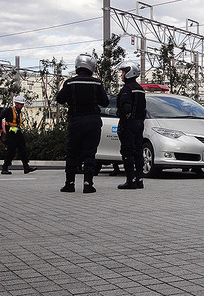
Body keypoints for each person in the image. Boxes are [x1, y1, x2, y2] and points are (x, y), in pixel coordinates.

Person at [56, 54, 109, 193]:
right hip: (93, 121)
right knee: (90, 153)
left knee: (72, 152)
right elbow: (105, 102)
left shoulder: (70, 83)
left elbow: (60, 99)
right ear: (91, 66)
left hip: (75, 121)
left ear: (77, 65)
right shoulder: (97, 83)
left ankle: (69, 183)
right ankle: (88, 183)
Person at [116, 61, 146, 189]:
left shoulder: (126, 90)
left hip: (128, 123)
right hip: (139, 123)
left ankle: (130, 180)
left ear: (129, 73)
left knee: (127, 150)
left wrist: (121, 115)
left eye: (123, 72)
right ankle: (139, 179)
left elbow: (125, 107)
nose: (121, 75)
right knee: (138, 151)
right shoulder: (140, 89)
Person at [0, 95, 37, 175]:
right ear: (16, 104)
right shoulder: (9, 110)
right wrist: (1, 128)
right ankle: (5, 168)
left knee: (22, 148)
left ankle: (26, 167)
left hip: (17, 131)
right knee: (11, 150)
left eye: (22, 104)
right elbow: (0, 117)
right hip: (10, 132)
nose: (22, 106)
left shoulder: (19, 112)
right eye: (20, 104)